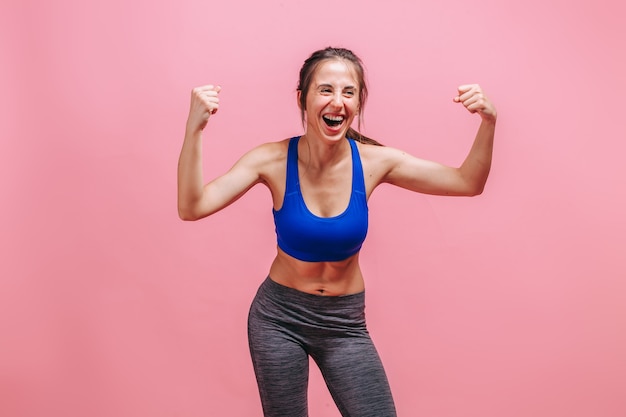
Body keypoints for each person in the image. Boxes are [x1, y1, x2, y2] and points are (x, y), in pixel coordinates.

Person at [177, 46, 496, 417]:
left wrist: (488, 122)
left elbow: (467, 181)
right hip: (278, 318)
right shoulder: (271, 160)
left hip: (344, 323)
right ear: (303, 98)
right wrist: (194, 129)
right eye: (325, 90)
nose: (338, 102)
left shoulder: (376, 162)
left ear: (359, 102)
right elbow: (192, 206)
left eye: (349, 92)